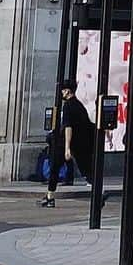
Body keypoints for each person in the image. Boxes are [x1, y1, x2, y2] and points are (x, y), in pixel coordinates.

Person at [41, 80, 96, 208]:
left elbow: (68, 127)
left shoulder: (68, 106)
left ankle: (50, 196)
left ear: (67, 91)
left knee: (55, 168)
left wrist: (67, 147)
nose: (62, 93)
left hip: (66, 143)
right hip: (80, 143)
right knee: (86, 169)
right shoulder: (79, 105)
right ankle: (99, 191)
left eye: (63, 90)